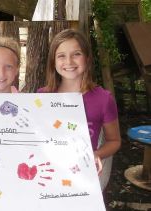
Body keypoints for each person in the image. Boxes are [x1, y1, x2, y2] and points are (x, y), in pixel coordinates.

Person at [37, 29, 121, 190]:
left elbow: (114, 141)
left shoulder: (103, 99)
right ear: (53, 62)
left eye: (76, 54)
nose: (69, 61)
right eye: (61, 55)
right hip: (48, 174)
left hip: (83, 177)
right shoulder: (42, 96)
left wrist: (97, 154)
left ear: (87, 59)